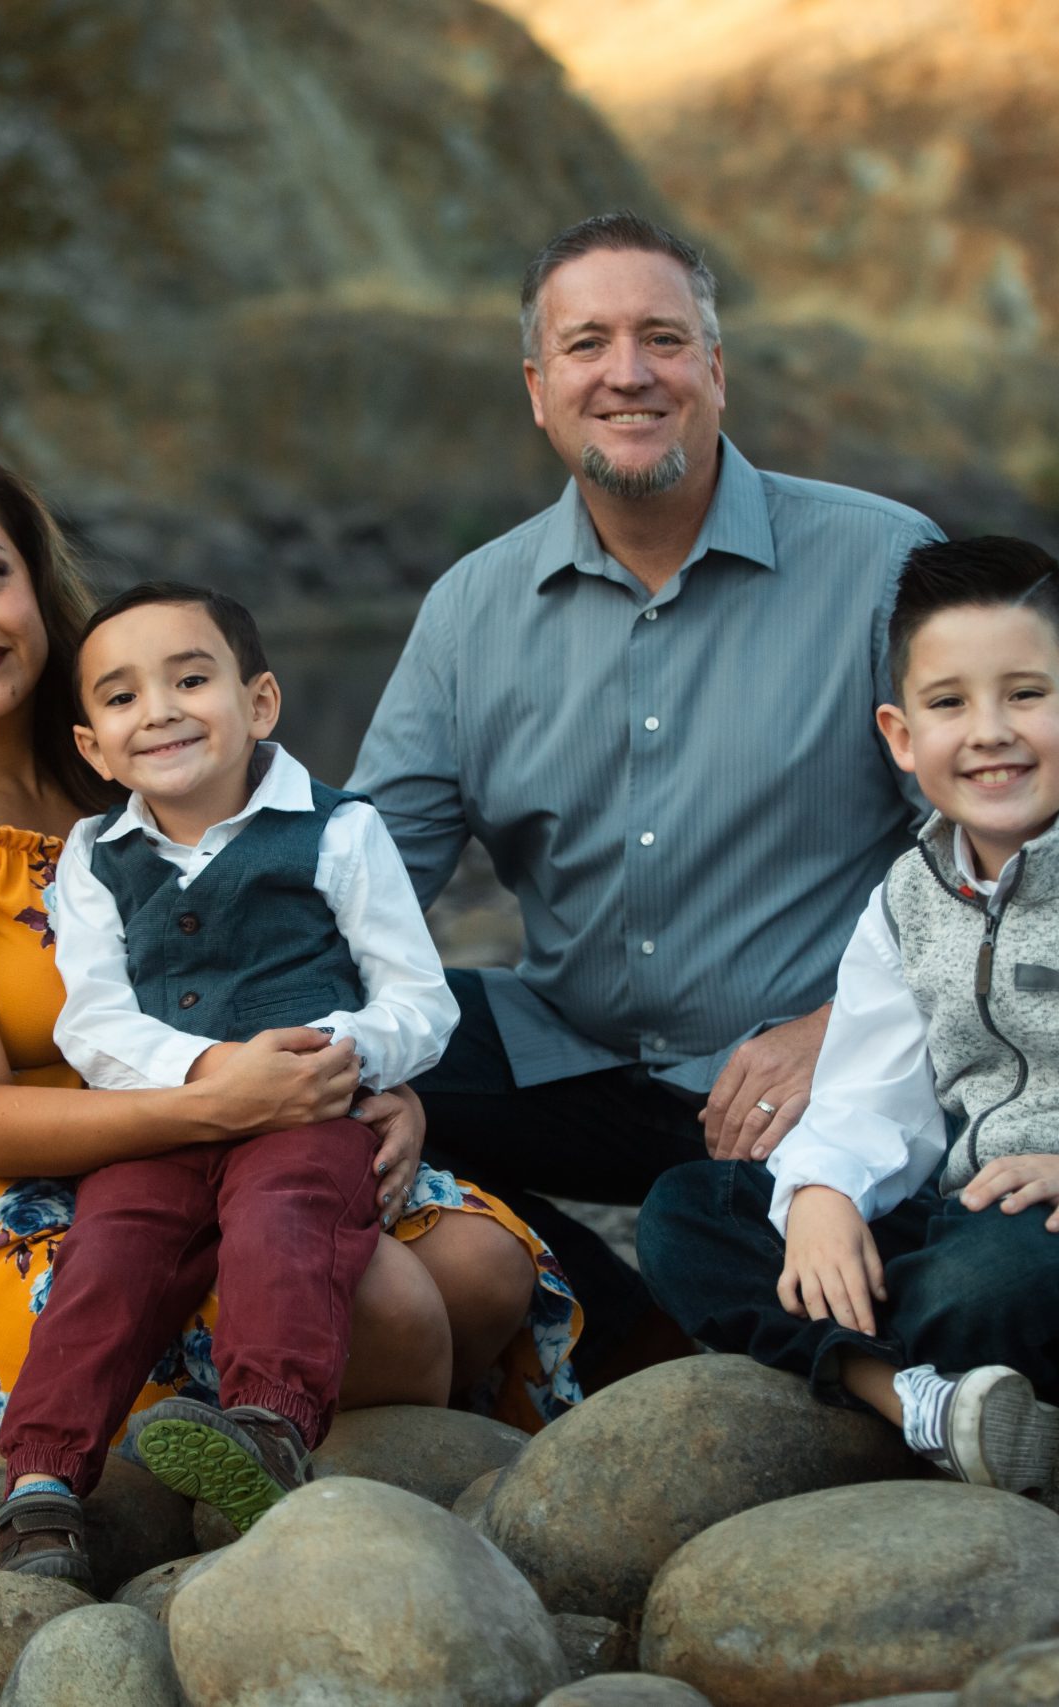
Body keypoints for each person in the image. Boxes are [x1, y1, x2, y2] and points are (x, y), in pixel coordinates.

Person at [0, 451, 581, 1564]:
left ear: (36, 585)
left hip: (210, 1140)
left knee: (484, 1263)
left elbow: (286, 963)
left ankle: (333, 1475)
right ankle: (287, 1526)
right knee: (390, 1304)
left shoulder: (127, 779)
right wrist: (237, 1101)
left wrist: (366, 1083)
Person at [349, 210, 943, 1368]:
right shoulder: (471, 611)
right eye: (587, 345)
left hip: (812, 1077)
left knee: (891, 1239)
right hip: (575, 1054)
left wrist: (843, 1028)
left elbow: (995, 850)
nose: (628, 374)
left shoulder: (882, 565)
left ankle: (763, 1322)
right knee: (333, 1078)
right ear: (538, 386)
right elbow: (361, 879)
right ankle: (635, 1340)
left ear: (714, 371)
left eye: (663, 340)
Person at [639, 536, 1059, 1492]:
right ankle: (915, 1397)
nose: (989, 731)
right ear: (900, 735)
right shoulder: (908, 898)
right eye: (949, 703)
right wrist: (823, 1197)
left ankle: (885, 1360)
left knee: (984, 1281)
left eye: (1025, 694)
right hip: (968, 1217)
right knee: (688, 1211)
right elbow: (870, 1103)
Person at [0, 580, 477, 1570]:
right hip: (162, 1120)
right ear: (92, 744)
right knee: (109, 1255)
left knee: (286, 1220)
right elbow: (91, 1021)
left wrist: (340, 1058)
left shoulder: (338, 831)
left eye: (190, 678)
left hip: (304, 1111)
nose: (160, 709)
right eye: (121, 696)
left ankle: (266, 1426)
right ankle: (42, 1482)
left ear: (258, 702)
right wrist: (210, 1073)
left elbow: (420, 1001)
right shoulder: (94, 856)